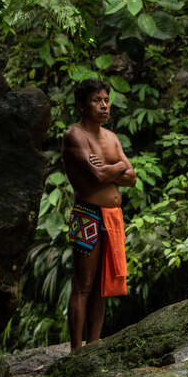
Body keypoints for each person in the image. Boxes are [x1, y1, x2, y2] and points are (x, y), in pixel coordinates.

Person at [63, 78, 135, 352]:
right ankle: (75, 350)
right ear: (82, 106)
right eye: (97, 100)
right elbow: (98, 175)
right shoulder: (75, 136)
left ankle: (93, 346)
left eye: (106, 100)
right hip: (88, 215)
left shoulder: (112, 138)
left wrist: (109, 168)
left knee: (104, 285)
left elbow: (132, 178)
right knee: (83, 285)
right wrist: (117, 167)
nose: (104, 105)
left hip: (112, 217)